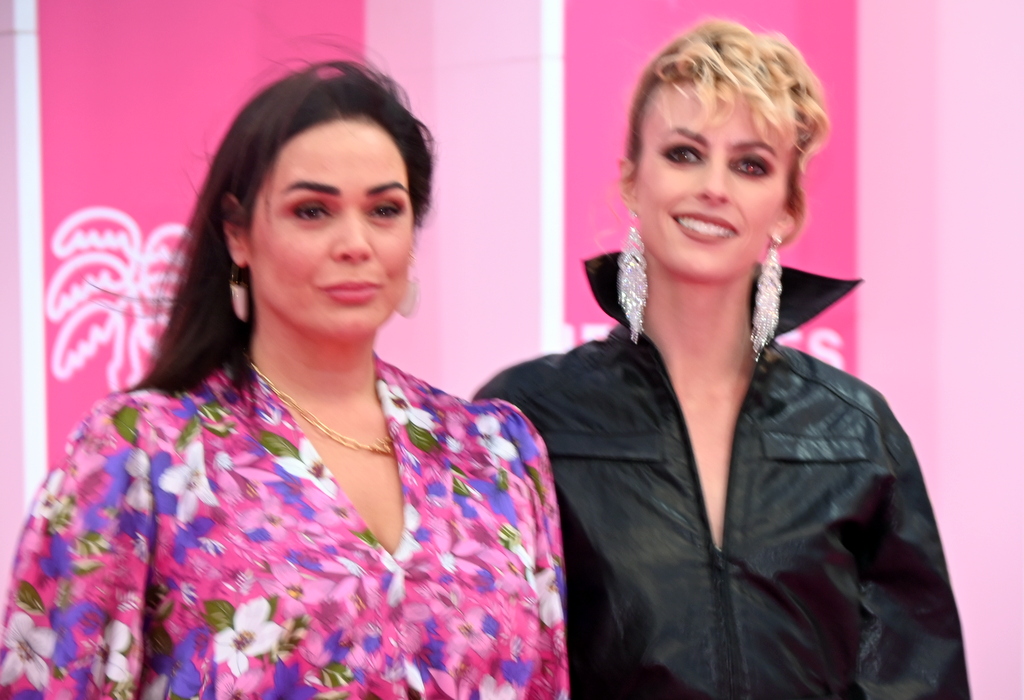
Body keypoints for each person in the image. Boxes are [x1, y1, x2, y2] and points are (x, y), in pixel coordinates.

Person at [1, 61, 567, 700]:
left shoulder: (496, 454)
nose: (355, 242)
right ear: (238, 234)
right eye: (312, 211)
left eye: (384, 209)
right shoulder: (142, 450)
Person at [478, 20, 968, 700]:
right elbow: (488, 663)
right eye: (684, 153)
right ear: (632, 181)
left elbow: (919, 678)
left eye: (750, 165)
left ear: (787, 210)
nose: (714, 187)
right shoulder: (526, 418)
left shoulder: (857, 430)